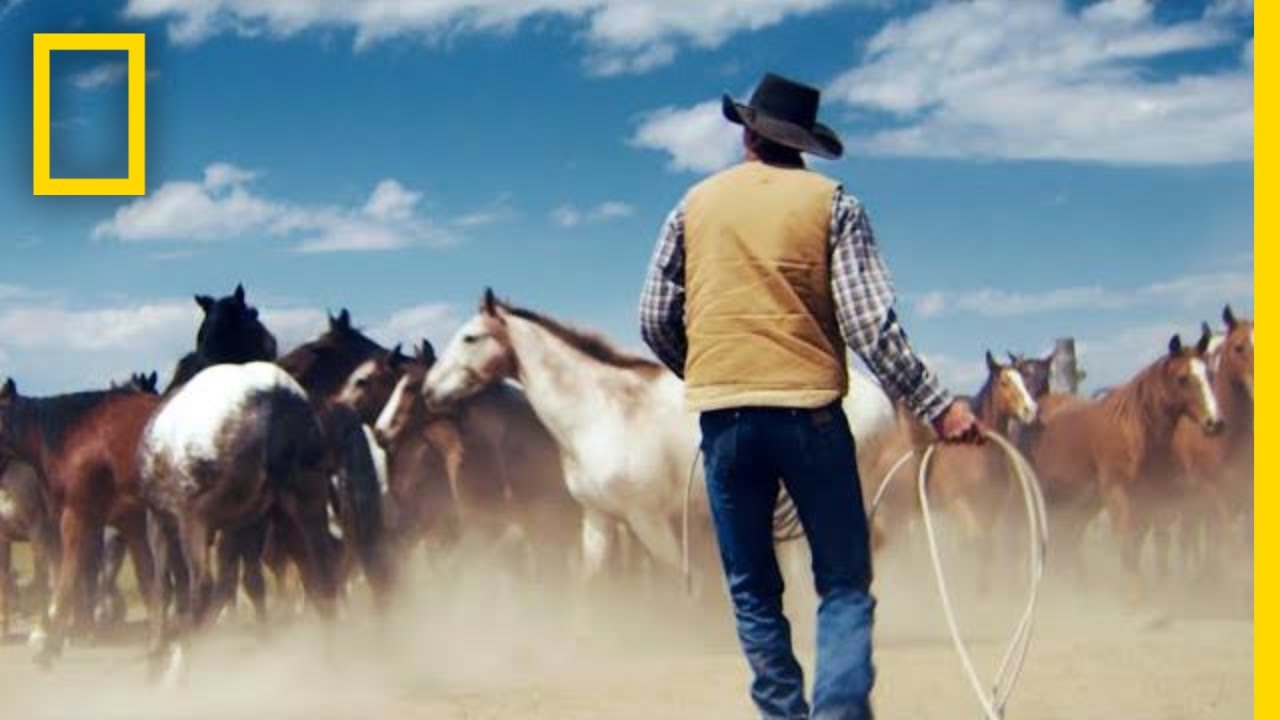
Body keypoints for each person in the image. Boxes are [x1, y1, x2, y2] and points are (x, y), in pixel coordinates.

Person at [639, 72, 983, 720]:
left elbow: (655, 316)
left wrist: (711, 371)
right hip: (811, 417)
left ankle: (783, 712)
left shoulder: (693, 205)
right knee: (844, 581)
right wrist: (941, 407)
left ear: (747, 134)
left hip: (727, 423)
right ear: (802, 145)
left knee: (752, 588)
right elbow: (869, 328)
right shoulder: (834, 205)